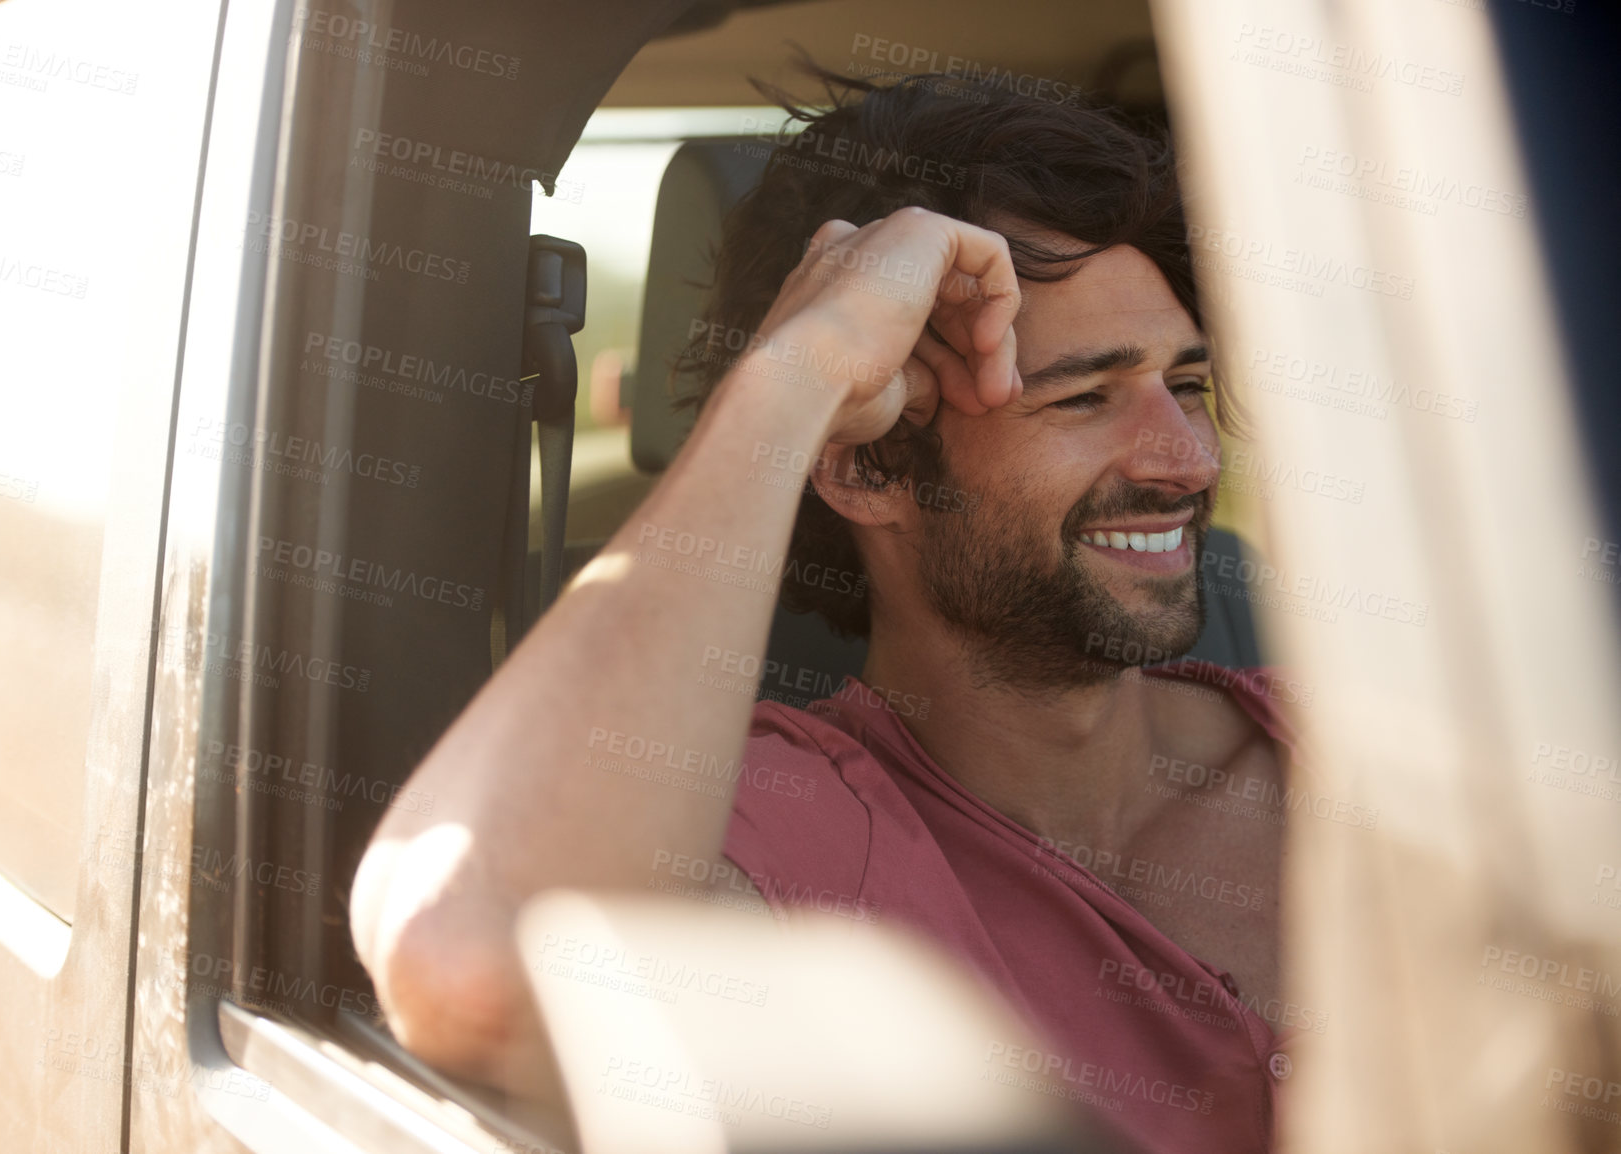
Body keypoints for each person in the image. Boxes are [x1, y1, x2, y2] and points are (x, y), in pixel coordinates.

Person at [350, 67, 1292, 1154]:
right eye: (1082, 396)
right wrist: (795, 373)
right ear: (864, 470)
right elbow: (474, 958)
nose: (1186, 459)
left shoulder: (1364, 753)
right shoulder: (783, 827)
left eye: (1184, 383)